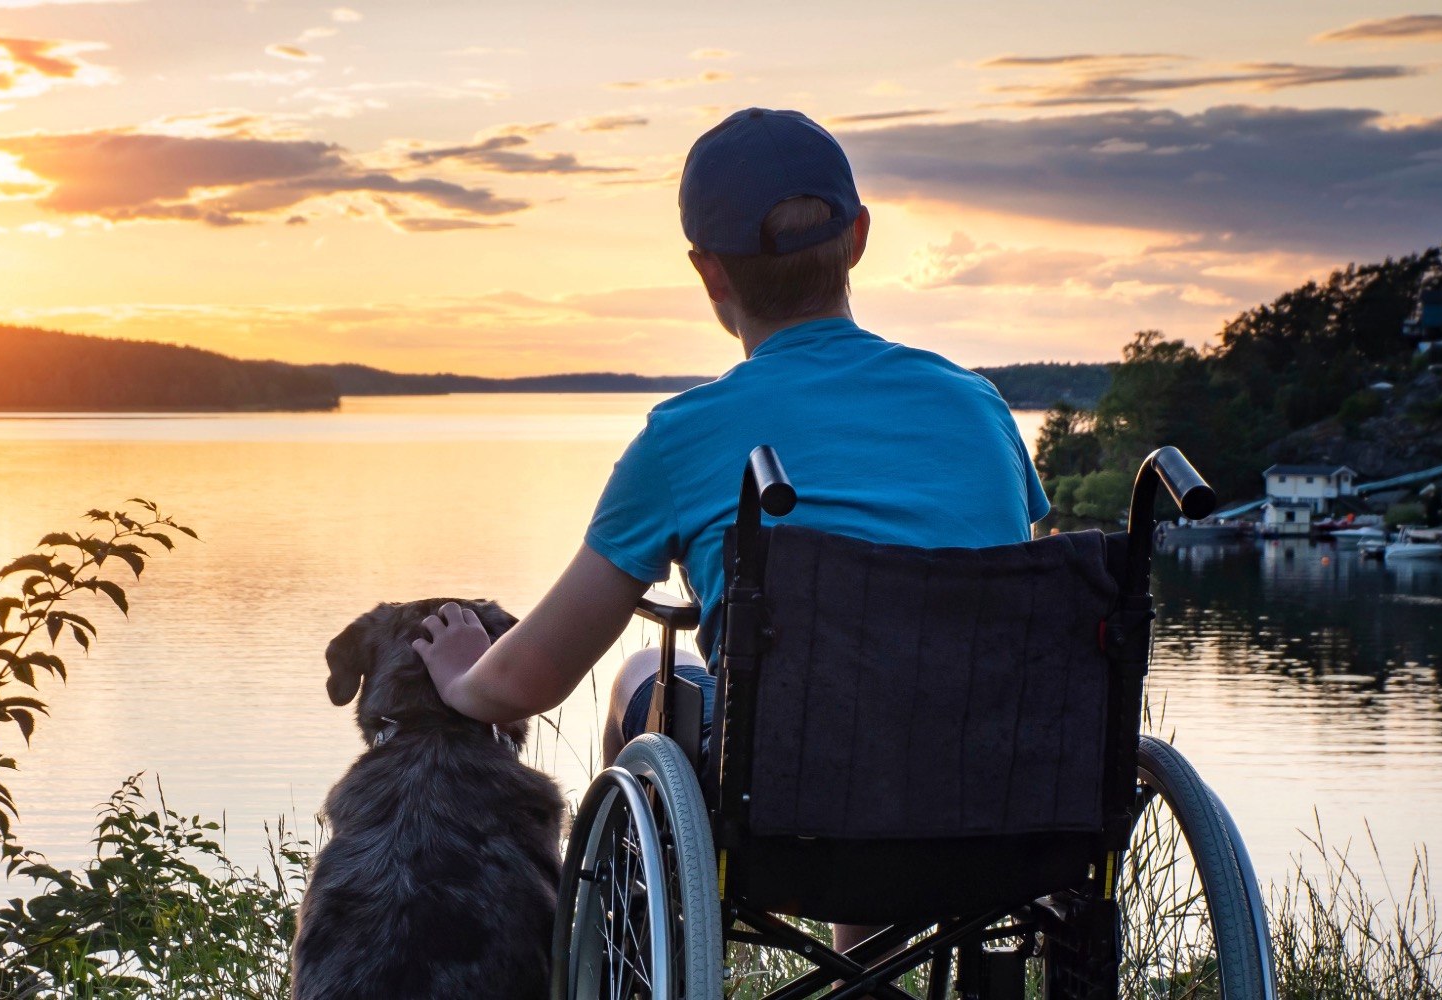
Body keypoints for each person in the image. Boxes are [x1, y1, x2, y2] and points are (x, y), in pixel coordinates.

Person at [411, 107, 1049, 953]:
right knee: (893, 696)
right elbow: (1011, 601)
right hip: (997, 796)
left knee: (647, 670)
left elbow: (530, 679)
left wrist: (462, 682)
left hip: (797, 805)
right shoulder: (978, 404)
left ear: (709, 274)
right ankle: (865, 964)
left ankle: (645, 958)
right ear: (857, 238)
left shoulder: (687, 437)